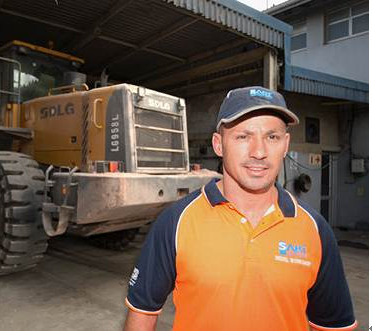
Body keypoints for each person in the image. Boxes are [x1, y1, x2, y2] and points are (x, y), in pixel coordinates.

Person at [123, 86, 357, 331]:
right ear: (218, 144)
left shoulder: (315, 230)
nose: (259, 152)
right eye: (243, 136)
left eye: (272, 137)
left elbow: (334, 326)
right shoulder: (176, 221)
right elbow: (143, 314)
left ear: (285, 144)